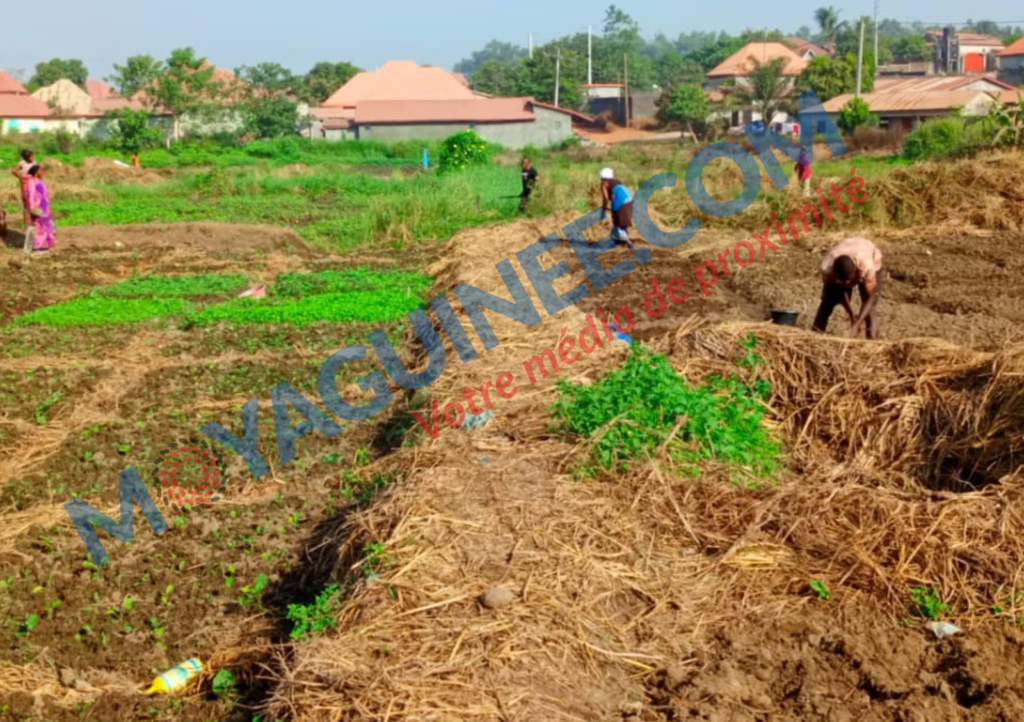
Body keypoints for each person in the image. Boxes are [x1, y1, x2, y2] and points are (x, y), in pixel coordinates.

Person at [813, 237, 882, 339]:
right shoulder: (827, 268)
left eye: (849, 280)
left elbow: (870, 297)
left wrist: (858, 322)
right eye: (843, 281)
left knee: (869, 306)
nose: (847, 283)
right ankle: (816, 334)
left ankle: (872, 340)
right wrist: (851, 315)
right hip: (847, 250)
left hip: (868, 252)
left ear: (855, 271)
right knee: (828, 300)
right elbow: (841, 292)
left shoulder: (867, 266)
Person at [599, 167, 634, 249]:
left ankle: (629, 242)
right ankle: (616, 241)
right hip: (629, 201)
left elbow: (606, 198)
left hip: (619, 202)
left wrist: (603, 209)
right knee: (622, 221)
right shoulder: (618, 182)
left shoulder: (604, 184)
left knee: (618, 222)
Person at [24, 165, 55, 253]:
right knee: (38, 225)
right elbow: (31, 195)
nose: (43, 172)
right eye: (41, 170)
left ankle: (45, 244)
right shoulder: (31, 182)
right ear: (37, 171)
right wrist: (32, 207)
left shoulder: (40, 181)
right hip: (37, 207)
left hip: (44, 207)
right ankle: (37, 246)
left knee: (45, 225)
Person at [11, 149, 36, 229]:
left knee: (35, 206)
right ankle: (26, 226)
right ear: (26, 157)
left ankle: (34, 224)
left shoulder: (34, 163)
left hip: (34, 186)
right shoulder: (22, 163)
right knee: (26, 207)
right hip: (26, 187)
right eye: (31, 157)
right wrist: (21, 177)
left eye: (33, 156)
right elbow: (13, 170)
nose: (33, 157)